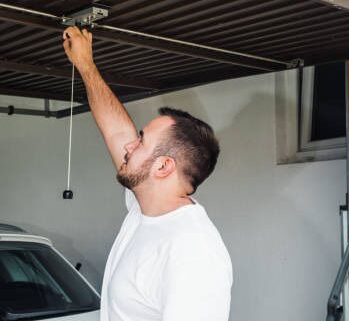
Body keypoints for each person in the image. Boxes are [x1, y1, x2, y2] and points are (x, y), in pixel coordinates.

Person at [62, 26, 233, 321]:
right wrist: (85, 65)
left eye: (141, 141)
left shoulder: (192, 251)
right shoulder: (144, 209)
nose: (129, 145)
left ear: (163, 167)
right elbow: (117, 132)